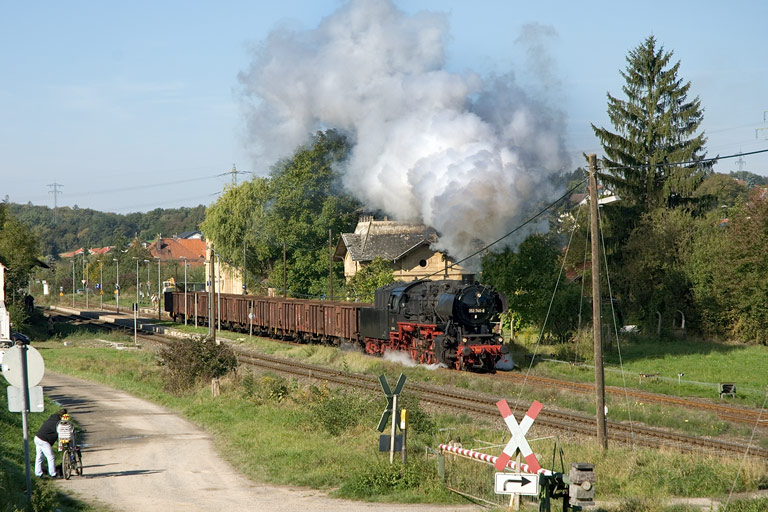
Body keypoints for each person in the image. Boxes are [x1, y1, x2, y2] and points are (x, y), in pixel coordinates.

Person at [34, 408, 66, 478]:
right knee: (51, 457)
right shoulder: (58, 423)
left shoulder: (51, 419)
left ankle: (38, 473)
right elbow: (60, 434)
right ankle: (53, 474)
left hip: (37, 437)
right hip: (44, 440)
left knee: (39, 457)